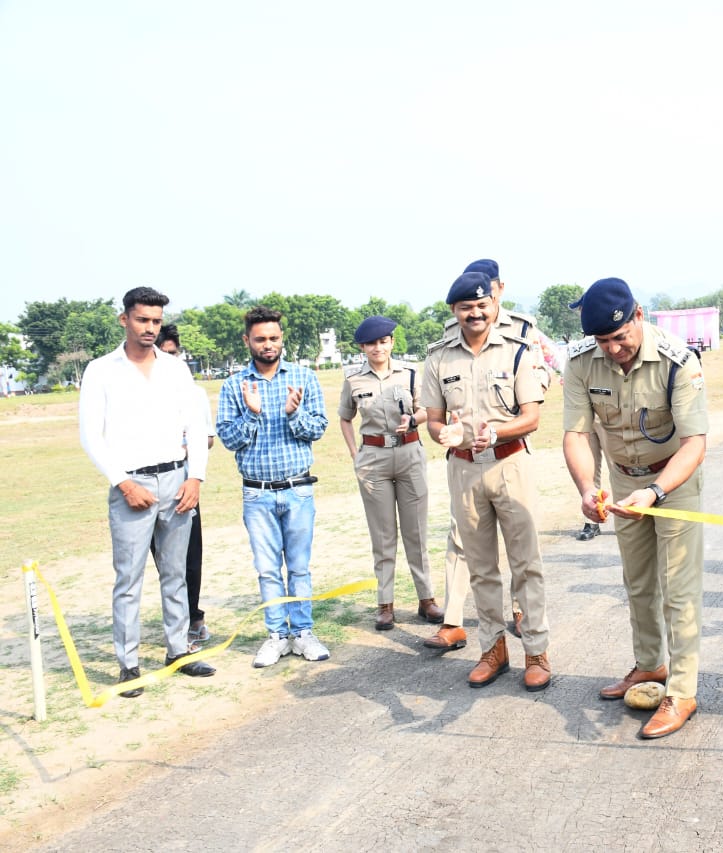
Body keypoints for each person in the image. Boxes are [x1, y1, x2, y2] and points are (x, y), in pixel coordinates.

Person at [562, 277, 708, 739]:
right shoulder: (582, 363)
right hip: (623, 479)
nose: (613, 349)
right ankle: (650, 666)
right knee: (638, 581)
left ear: (638, 315)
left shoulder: (677, 362)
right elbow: (577, 434)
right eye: (602, 341)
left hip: (672, 482)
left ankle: (682, 691)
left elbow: (694, 443)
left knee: (678, 588)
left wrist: (656, 493)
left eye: (620, 337)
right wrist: (588, 487)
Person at [79, 287, 215, 697]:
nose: (150, 328)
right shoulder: (101, 370)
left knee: (176, 574)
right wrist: (122, 482)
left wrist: (196, 478)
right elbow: (91, 435)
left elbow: (194, 425)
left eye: (156, 321)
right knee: (129, 578)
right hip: (131, 486)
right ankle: (129, 665)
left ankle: (178, 651)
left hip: (177, 481)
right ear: (125, 320)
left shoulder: (175, 369)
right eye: (142, 320)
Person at [424, 272, 551, 691]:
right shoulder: (438, 357)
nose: (475, 313)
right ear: (454, 311)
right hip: (462, 469)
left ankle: (536, 652)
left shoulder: (516, 352)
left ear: (494, 305)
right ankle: (493, 649)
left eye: (482, 306)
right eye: (466, 307)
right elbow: (435, 419)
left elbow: (532, 416)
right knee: (480, 566)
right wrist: (443, 433)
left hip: (510, 464)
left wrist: (498, 432)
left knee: (525, 564)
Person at [217, 306, 331, 668]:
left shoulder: (303, 378)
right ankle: (276, 636)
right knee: (267, 569)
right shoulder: (235, 385)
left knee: (299, 567)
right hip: (257, 492)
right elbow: (229, 439)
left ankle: (302, 633)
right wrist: (251, 412)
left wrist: (294, 413)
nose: (269, 345)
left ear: (282, 338)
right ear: (247, 340)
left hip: (297, 490)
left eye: (274, 338)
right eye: (261, 339)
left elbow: (317, 430)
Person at [338, 315, 443, 631]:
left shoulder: (410, 374)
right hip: (374, 460)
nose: (378, 348)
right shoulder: (354, 380)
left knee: (416, 532)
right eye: (371, 343)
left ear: (392, 343)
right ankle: (385, 604)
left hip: (409, 453)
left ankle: (427, 599)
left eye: (384, 341)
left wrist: (414, 420)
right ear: (362, 347)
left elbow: (429, 410)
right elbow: (345, 417)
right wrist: (356, 455)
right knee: (383, 535)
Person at [154, 324, 216, 646]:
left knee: (189, 557)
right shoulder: (140, 390)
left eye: (173, 354)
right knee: (161, 561)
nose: (168, 359)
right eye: (162, 354)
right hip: (146, 486)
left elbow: (207, 439)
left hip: (184, 484)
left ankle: (194, 617)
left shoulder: (194, 393)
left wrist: (186, 444)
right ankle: (174, 623)